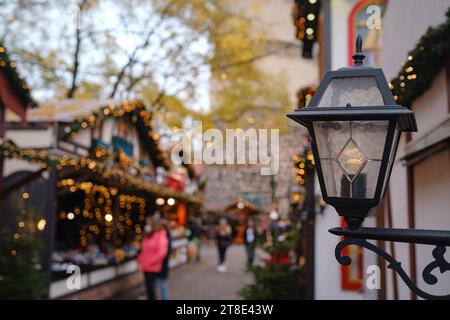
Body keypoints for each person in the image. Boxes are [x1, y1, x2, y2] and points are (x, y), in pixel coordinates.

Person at [138, 215, 168, 300]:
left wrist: (150, 261)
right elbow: (143, 250)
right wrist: (141, 261)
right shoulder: (147, 235)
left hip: (153, 266)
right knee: (148, 288)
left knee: (152, 289)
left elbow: (162, 252)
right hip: (146, 266)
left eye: (149, 223)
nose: (147, 225)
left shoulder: (160, 235)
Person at [156, 218, 172, 300]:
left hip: (162, 265)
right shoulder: (155, 235)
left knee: (163, 286)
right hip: (155, 266)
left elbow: (167, 251)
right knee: (157, 286)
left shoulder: (166, 236)